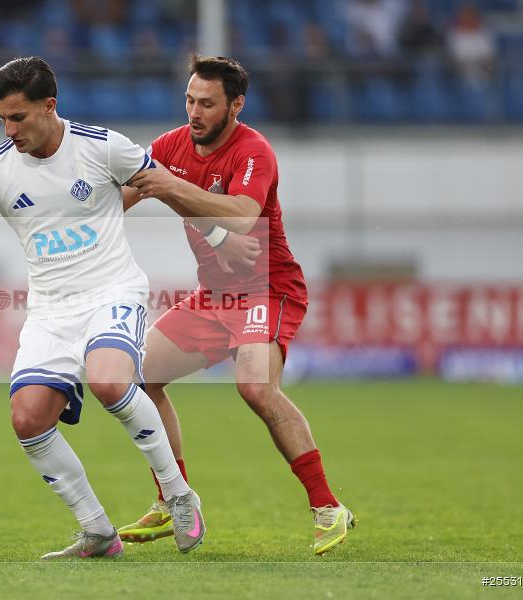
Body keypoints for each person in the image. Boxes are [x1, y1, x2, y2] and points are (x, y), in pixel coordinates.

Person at [0, 57, 205, 559]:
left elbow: (163, 184)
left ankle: (178, 494)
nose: (9, 129)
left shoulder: (102, 147)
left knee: (109, 382)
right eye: (1, 119)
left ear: (49, 106)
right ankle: (99, 533)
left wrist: (218, 227)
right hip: (51, 311)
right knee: (27, 417)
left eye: (18, 117)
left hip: (112, 292)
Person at [118, 55, 354, 555]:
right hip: (214, 297)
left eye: (207, 103)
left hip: (268, 289)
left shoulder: (254, 151)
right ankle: (173, 500)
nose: (195, 112)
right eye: (189, 100)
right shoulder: (169, 146)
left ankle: (328, 507)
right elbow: (123, 196)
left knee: (254, 388)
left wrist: (171, 186)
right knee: (137, 377)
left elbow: (246, 217)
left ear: (235, 105)